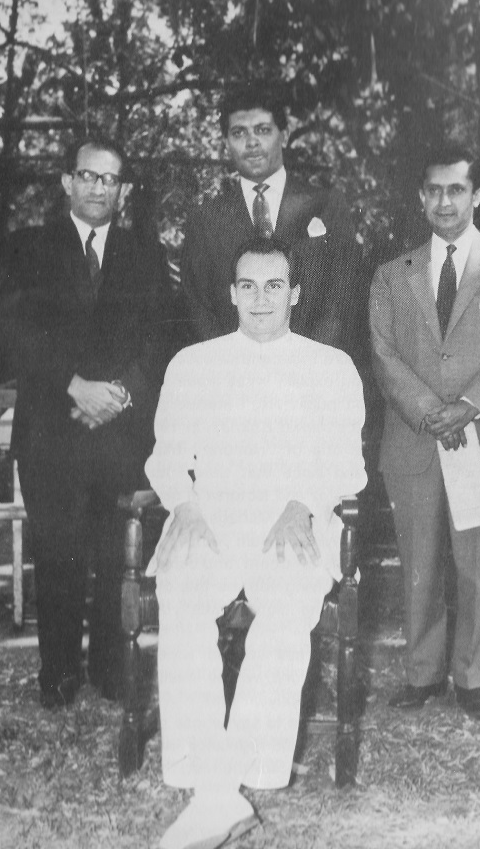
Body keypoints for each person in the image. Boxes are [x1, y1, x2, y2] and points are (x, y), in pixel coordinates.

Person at [146, 238, 367, 849]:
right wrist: (184, 508)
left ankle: (242, 775)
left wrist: (301, 505)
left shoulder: (330, 366)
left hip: (292, 519)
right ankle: (209, 781)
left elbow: (347, 462)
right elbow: (166, 456)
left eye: (275, 286)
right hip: (212, 516)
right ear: (231, 293)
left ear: (295, 293)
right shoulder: (193, 363)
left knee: (287, 607)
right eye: (248, 286)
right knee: (182, 596)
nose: (261, 298)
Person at [369, 144, 480, 718]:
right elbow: (383, 353)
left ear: (477, 195)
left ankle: (472, 678)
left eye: (457, 190)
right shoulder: (393, 275)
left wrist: (466, 406)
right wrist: (427, 409)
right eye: (434, 190)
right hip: (416, 438)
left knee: (476, 563)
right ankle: (421, 675)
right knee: (419, 563)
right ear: (421, 197)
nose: (445, 201)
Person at [1, 135, 169, 708]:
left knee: (112, 554)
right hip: (51, 429)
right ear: (67, 182)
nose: (99, 187)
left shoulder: (144, 253)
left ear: (122, 191)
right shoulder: (27, 248)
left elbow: (159, 338)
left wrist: (120, 394)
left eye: (110, 179)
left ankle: (110, 669)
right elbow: (11, 333)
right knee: (58, 553)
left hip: (119, 434)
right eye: (88, 176)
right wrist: (74, 385)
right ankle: (59, 672)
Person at [180, 82, 365, 360]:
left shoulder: (327, 205)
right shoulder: (204, 220)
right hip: (232, 377)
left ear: (285, 134)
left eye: (263, 130)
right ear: (226, 142)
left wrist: (304, 364)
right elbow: (198, 310)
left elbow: (342, 297)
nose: (251, 142)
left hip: (311, 373)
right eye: (239, 132)